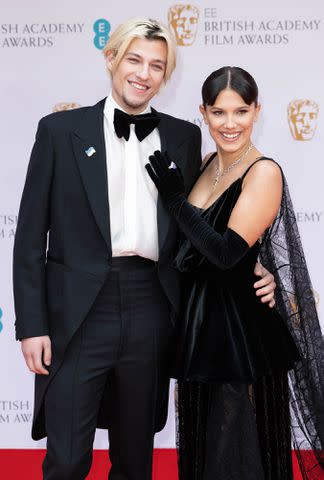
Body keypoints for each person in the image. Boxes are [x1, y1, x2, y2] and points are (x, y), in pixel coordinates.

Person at [13, 20, 276, 480]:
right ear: (111, 58)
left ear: (166, 76)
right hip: (77, 313)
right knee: (68, 457)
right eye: (134, 60)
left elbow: (210, 224)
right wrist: (31, 325)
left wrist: (257, 269)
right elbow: (30, 236)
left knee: (136, 460)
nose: (144, 74)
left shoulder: (183, 137)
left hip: (153, 307)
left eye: (157, 65)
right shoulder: (58, 131)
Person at [146, 66, 324, 479]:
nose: (230, 124)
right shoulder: (207, 163)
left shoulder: (264, 172)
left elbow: (226, 253)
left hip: (240, 335)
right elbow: (194, 247)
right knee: (206, 453)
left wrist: (174, 201)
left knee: (239, 457)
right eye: (219, 112)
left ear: (257, 112)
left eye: (241, 111)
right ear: (203, 113)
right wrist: (257, 265)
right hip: (199, 329)